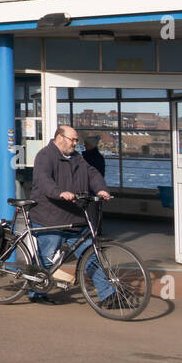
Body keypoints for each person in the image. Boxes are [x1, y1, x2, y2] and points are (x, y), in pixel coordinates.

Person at [29, 126, 114, 306]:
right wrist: (59, 192)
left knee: (91, 256)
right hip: (50, 216)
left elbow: (92, 174)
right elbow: (43, 181)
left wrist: (101, 189)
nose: (76, 143)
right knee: (47, 257)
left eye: (76, 140)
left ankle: (108, 296)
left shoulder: (77, 158)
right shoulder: (45, 156)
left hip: (74, 217)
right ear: (60, 137)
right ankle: (36, 292)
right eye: (73, 140)